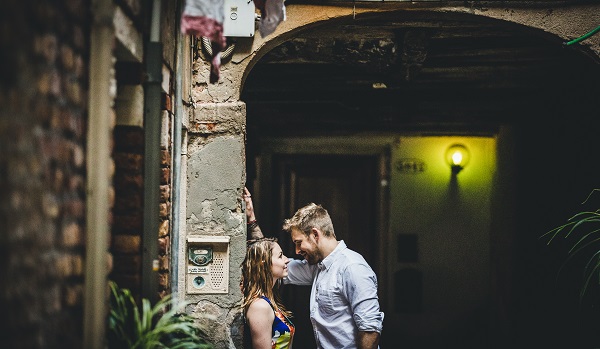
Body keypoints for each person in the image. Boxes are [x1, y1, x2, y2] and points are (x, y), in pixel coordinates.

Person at [243, 188, 384, 349]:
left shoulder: (352, 267)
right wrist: (252, 221)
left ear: (315, 235)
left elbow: (370, 330)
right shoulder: (316, 267)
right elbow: (268, 261)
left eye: (298, 242)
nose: (296, 251)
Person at [241, 230, 295, 348]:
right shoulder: (259, 306)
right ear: (264, 263)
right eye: (280, 256)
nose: (287, 259)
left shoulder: (268, 300)